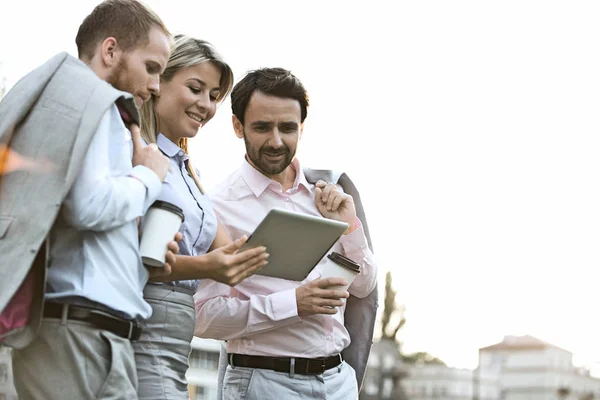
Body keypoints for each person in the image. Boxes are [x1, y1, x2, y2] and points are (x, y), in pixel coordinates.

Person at [0, 1, 180, 399]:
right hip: (79, 333)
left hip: (92, 333)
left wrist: (139, 248)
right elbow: (88, 206)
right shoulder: (93, 103)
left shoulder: (76, 103)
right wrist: (149, 175)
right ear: (110, 51)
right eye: (151, 68)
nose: (155, 86)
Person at [194, 67, 378, 400]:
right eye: (263, 127)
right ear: (238, 126)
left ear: (302, 128)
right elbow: (202, 317)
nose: (276, 141)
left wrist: (349, 226)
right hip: (264, 383)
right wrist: (293, 303)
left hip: (338, 383)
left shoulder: (326, 195)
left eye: (288, 128)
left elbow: (364, 286)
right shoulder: (217, 206)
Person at [136, 35, 269, 399]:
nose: (206, 105)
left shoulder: (187, 173)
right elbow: (137, 260)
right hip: (144, 328)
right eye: (196, 88)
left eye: (213, 96)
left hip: (178, 343)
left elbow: (234, 253)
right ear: (158, 80)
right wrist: (207, 267)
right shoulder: (138, 154)